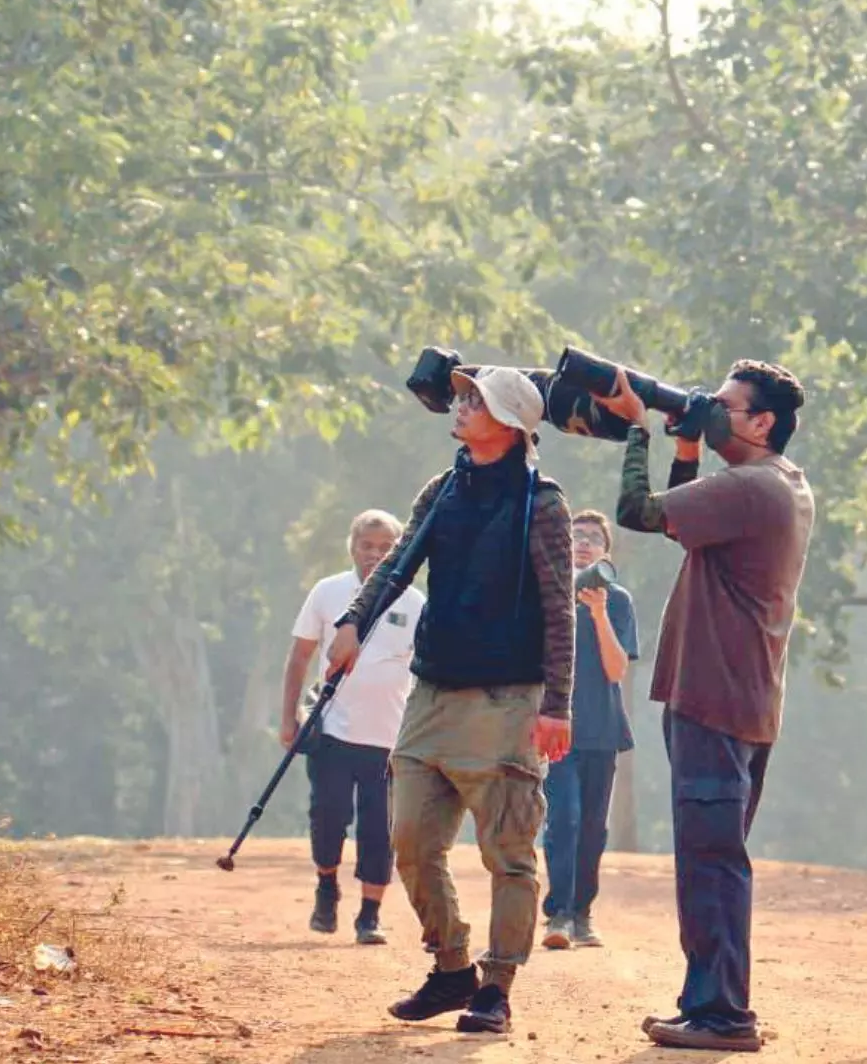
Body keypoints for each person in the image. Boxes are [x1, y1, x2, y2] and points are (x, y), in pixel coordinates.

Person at [326, 364, 574, 1036]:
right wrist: (353, 622)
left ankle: (496, 987)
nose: (460, 407)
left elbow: (560, 612)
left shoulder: (541, 503)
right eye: (461, 396)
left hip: (506, 700)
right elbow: (399, 563)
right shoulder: (443, 488)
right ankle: (451, 966)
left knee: (508, 853)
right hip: (431, 692)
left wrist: (558, 704)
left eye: (476, 400)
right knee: (409, 839)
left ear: (513, 424)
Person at [595, 359, 813, 1053]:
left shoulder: (751, 487)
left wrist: (637, 431)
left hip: (716, 697)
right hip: (735, 695)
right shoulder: (778, 482)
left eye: (724, 404)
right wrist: (686, 447)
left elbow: (637, 513)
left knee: (712, 857)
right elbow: (680, 526)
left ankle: (723, 1015)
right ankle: (708, 1003)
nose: (712, 409)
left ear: (762, 421)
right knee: (708, 854)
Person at [281, 509, 424, 946]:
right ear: (352, 547)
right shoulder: (328, 592)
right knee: (328, 818)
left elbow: (429, 669)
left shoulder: (416, 603)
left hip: (391, 739)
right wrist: (289, 717)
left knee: (380, 831)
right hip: (333, 733)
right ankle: (327, 885)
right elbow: (300, 657)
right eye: (367, 546)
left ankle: (370, 916)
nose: (375, 555)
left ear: (401, 551)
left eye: (386, 548)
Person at [539, 509, 641, 951]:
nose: (582, 542)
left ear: (604, 551)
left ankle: (582, 914)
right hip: (559, 727)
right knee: (564, 817)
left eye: (592, 538)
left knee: (593, 827)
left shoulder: (617, 600)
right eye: (575, 535)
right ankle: (557, 914)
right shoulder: (548, 593)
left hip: (602, 728)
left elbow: (617, 669)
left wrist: (598, 615)